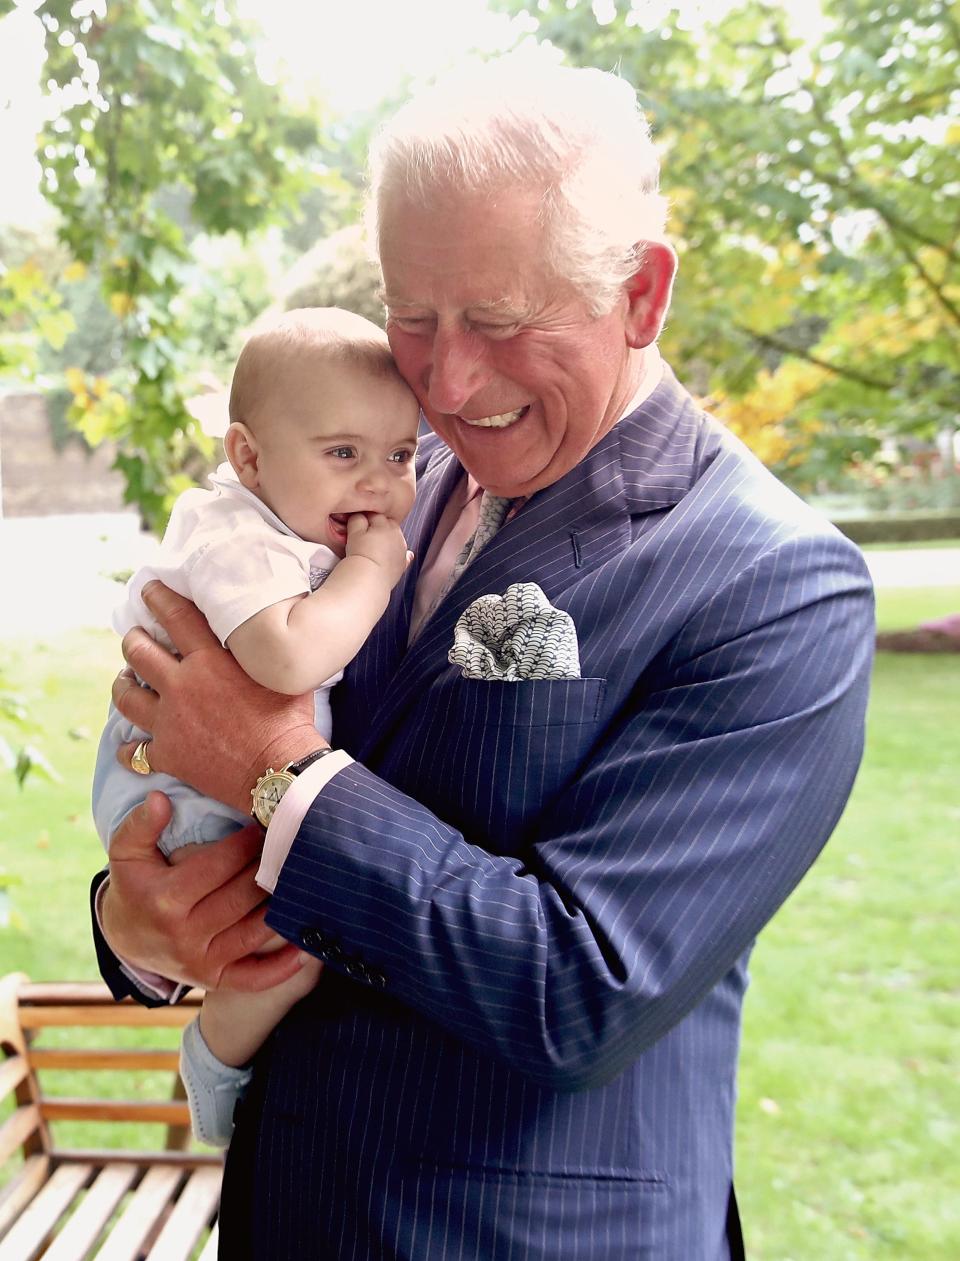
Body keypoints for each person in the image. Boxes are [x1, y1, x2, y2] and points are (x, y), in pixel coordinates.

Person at [90, 57, 875, 1260]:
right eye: (416, 317)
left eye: (503, 323)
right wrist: (141, 927)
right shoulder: (378, 479)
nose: (449, 383)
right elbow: (203, 786)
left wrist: (276, 773)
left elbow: (581, 988)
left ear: (642, 295)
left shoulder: (774, 585)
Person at [93, 306, 419, 1144]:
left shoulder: (294, 517)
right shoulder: (239, 537)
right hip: (184, 798)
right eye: (343, 454)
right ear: (248, 456)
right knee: (288, 946)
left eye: (400, 455)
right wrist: (373, 572)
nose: (378, 484)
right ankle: (214, 1061)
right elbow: (286, 659)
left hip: (210, 786)